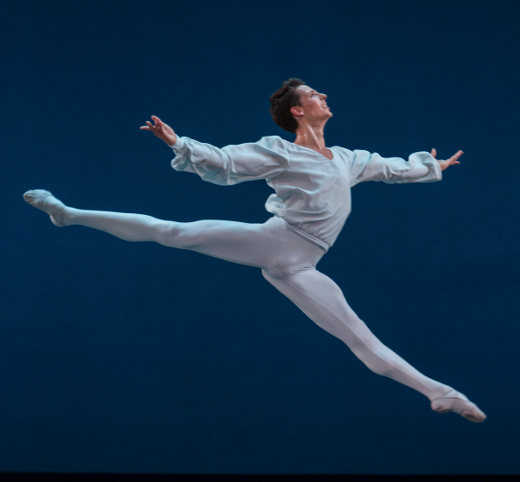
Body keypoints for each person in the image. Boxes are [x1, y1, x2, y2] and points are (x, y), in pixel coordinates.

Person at [23, 77, 486, 422]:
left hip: (303, 262)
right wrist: (178, 142)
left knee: (358, 335)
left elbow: (389, 168)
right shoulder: (281, 152)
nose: (322, 96)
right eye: (313, 95)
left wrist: (430, 166)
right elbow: (226, 160)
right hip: (275, 240)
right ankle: (68, 214)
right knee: (174, 231)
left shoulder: (346, 158)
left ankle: (437, 392)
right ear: (299, 112)